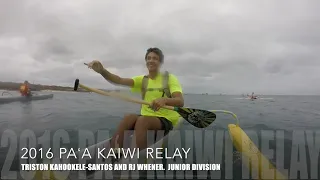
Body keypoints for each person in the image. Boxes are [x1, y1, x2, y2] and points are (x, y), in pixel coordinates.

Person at [87, 47, 184, 150]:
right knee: (128, 118)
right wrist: (102, 71)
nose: (151, 60)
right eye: (149, 58)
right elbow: (119, 80)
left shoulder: (170, 78)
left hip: (166, 120)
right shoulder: (143, 80)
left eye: (155, 58)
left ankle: (139, 159)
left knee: (142, 121)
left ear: (160, 62)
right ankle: (114, 152)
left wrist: (164, 100)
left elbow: (180, 101)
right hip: (147, 117)